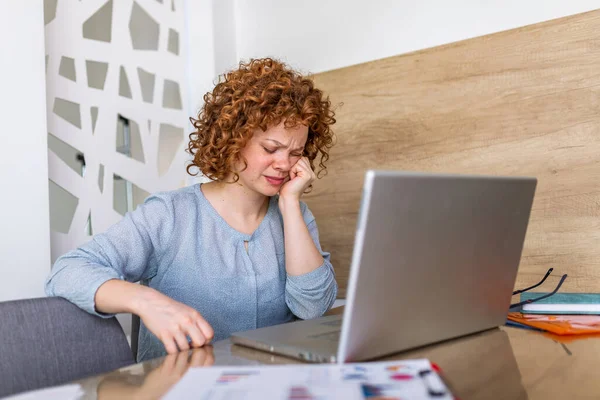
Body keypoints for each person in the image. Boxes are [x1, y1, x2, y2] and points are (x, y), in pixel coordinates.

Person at [45, 58, 338, 362]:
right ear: (234, 139)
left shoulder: (296, 217)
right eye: (270, 148)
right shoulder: (170, 215)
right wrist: (145, 301)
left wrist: (289, 203)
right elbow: (67, 272)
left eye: (296, 153)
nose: (284, 164)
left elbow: (313, 308)